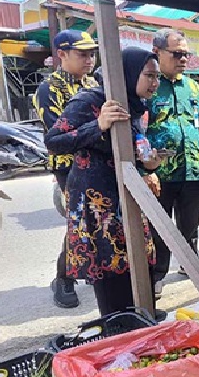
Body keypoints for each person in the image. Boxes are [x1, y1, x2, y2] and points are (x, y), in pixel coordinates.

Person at [44, 47, 165, 319]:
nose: (155, 83)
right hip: (97, 204)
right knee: (110, 270)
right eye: (150, 76)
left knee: (139, 262)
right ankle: (118, 326)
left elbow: (128, 147)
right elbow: (53, 141)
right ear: (128, 74)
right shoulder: (92, 100)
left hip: (127, 196)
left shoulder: (134, 104)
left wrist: (149, 164)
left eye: (157, 77)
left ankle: (142, 316)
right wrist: (97, 124)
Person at [146, 29, 199, 299]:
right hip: (161, 172)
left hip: (193, 168)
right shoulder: (149, 85)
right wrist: (145, 168)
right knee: (159, 226)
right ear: (157, 52)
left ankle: (191, 264)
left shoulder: (191, 86)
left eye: (186, 54)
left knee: (190, 223)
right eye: (177, 54)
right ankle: (156, 274)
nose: (183, 59)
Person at [33, 29, 99, 309]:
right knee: (78, 223)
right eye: (82, 54)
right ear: (61, 55)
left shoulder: (94, 83)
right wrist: (99, 128)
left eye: (91, 54)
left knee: (100, 220)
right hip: (68, 167)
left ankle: (93, 269)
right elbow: (61, 136)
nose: (89, 60)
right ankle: (63, 278)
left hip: (97, 162)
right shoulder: (49, 90)